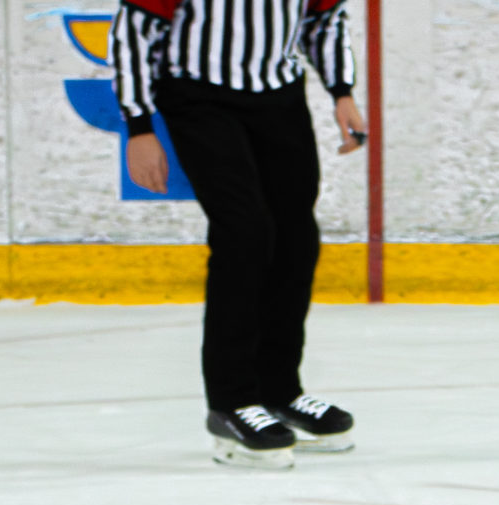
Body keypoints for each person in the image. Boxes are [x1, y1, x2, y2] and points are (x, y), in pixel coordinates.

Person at [109, 0, 363, 469]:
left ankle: (279, 392)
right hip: (199, 96)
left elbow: (324, 19)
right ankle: (231, 402)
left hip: (280, 97)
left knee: (295, 238)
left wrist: (341, 90)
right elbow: (135, 30)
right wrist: (139, 126)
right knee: (244, 234)